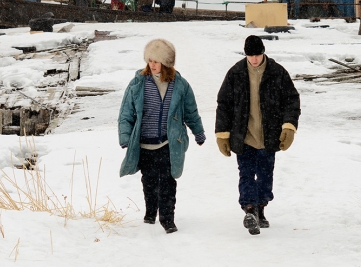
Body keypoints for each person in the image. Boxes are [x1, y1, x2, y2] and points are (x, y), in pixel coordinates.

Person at [215, 35, 300, 236]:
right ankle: (250, 210)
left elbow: (291, 100)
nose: (254, 59)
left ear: (263, 52)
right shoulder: (235, 73)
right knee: (246, 174)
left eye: (257, 55)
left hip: (269, 136)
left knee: (264, 176)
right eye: (250, 55)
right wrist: (222, 134)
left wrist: (288, 127)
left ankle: (261, 207)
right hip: (243, 136)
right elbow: (224, 104)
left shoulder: (277, 72)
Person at [118, 39, 206, 234]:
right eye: (150, 60)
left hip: (169, 142)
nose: (152, 65)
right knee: (149, 180)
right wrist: (125, 137)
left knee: (168, 182)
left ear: (166, 62)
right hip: (145, 144)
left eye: (156, 61)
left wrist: (198, 132)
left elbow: (191, 111)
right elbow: (126, 113)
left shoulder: (180, 85)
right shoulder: (138, 83)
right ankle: (150, 212)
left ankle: (168, 219)